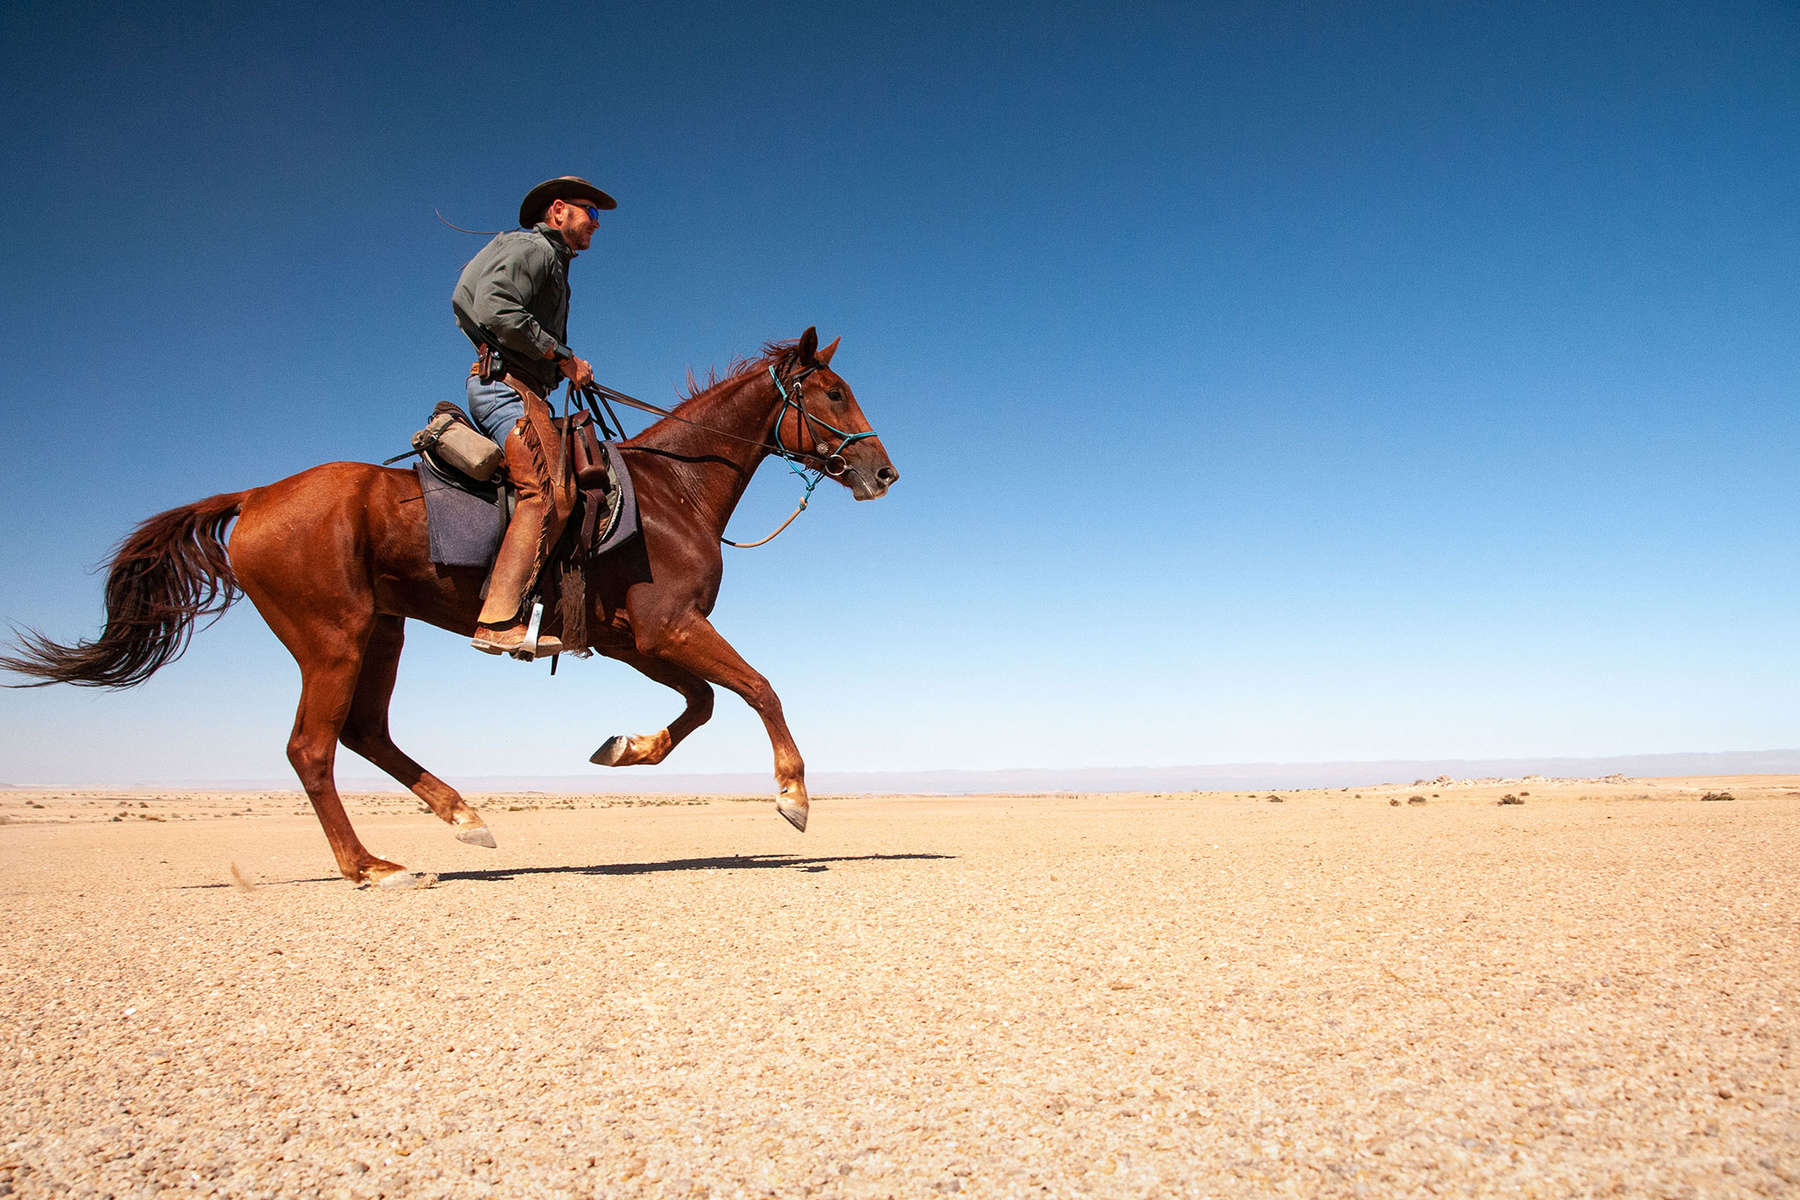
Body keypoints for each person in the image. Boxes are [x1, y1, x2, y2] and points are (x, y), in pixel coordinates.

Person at [451, 176, 614, 656]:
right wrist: (562, 357)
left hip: (519, 384)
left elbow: (465, 300)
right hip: (509, 388)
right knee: (549, 493)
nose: (596, 225)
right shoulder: (535, 250)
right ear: (559, 210)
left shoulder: (547, 261)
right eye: (591, 213)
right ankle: (498, 619)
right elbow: (495, 307)